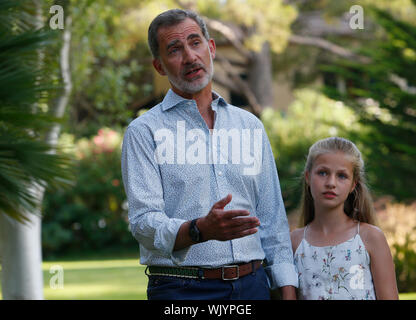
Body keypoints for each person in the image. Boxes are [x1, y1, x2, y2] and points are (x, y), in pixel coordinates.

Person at [121, 8, 298, 300]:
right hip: (181, 290)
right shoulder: (144, 132)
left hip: (253, 287)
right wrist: (199, 229)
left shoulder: (250, 126)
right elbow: (144, 222)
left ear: (211, 48)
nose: (190, 57)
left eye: (195, 42)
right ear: (160, 66)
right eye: (175, 49)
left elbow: (273, 220)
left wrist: (287, 291)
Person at [290, 137, 399, 300]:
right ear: (308, 177)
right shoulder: (294, 242)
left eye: (341, 176)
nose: (331, 183)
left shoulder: (370, 237)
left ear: (353, 185)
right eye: (322, 173)